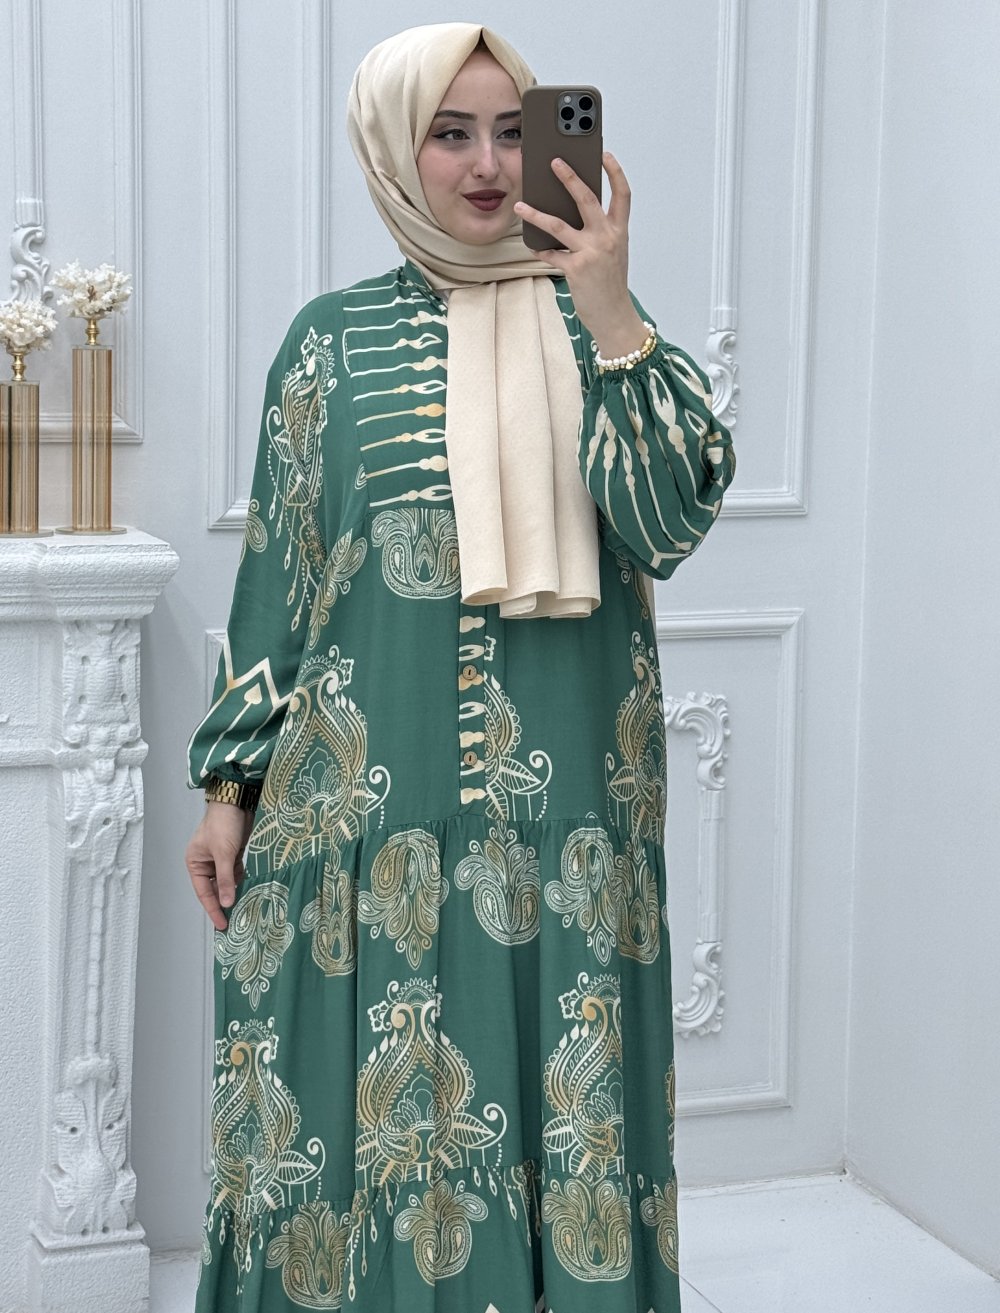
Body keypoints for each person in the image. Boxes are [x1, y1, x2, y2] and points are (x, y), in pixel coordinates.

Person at [183, 21, 734, 1313]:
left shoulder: (606, 328)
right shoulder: (327, 344)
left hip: (571, 815)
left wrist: (607, 308)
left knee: (565, 1113)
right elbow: (282, 577)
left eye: (508, 130)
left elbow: (668, 522)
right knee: (359, 1131)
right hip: (365, 817)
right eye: (449, 133)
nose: (487, 165)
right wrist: (229, 788)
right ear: (393, 150)